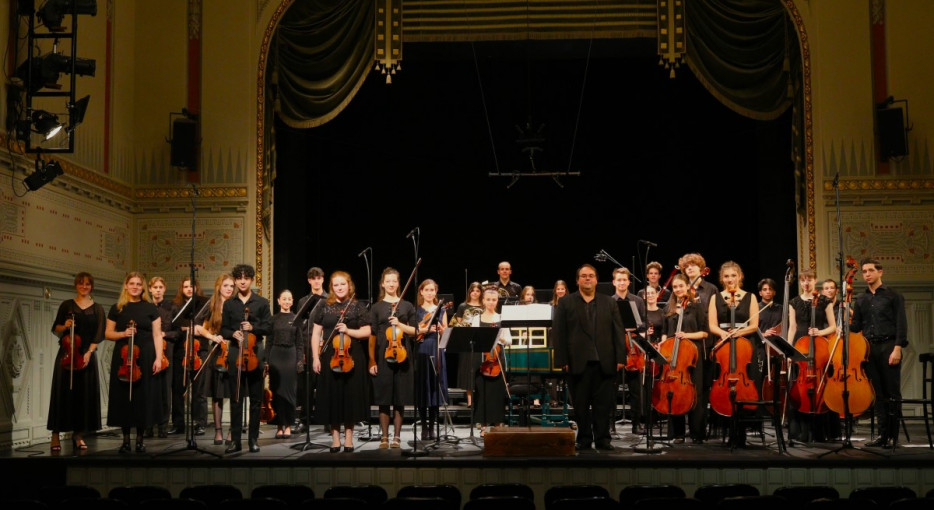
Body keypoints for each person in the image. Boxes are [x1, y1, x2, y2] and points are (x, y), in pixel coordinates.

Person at [553, 264, 626, 451]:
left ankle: (603, 439)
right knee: (581, 405)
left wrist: (620, 358)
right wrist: (562, 361)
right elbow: (559, 334)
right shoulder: (566, 302)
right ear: (577, 280)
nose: (587, 278)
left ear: (596, 279)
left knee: (603, 405)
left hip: (605, 361)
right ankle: (584, 438)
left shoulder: (609, 302)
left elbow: (618, 332)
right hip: (577, 362)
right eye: (583, 276)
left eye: (591, 276)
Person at [104, 271, 166, 453]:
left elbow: (157, 335)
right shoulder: (117, 308)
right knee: (124, 398)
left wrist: (158, 357)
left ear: (143, 287)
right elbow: (107, 333)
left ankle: (140, 440)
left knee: (142, 398)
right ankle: (125, 440)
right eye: (132, 283)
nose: (135, 287)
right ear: (126, 285)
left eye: (139, 284)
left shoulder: (150, 308)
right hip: (124, 357)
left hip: (145, 357)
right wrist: (123, 334)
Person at [311, 271, 372, 453]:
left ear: (349, 285)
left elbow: (367, 331)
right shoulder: (324, 306)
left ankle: (349, 439)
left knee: (349, 398)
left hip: (352, 356)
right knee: (333, 397)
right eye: (336, 285)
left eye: (342, 284)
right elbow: (315, 334)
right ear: (331, 287)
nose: (339, 288)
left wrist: (348, 331)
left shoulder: (357, 306)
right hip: (330, 356)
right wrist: (315, 356)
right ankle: (335, 439)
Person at [850, 258, 908, 448]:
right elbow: (856, 327)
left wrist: (897, 348)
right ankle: (883, 435)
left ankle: (893, 436)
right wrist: (844, 312)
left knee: (892, 393)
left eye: (870, 271)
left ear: (880, 272)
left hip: (889, 346)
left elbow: (901, 324)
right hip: (869, 349)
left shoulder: (893, 296)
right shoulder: (861, 299)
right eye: (864, 271)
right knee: (878, 394)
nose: (866, 274)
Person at [48, 272, 104, 452]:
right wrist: (65, 326)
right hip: (67, 354)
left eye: (87, 284)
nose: (84, 287)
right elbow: (55, 328)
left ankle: (78, 434)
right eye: (81, 284)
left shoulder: (98, 309)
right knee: (62, 395)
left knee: (84, 396)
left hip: (87, 356)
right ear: (76, 286)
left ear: (91, 287)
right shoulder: (67, 305)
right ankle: (55, 434)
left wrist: (89, 353)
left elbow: (99, 334)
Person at [707, 261, 761, 447]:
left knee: (745, 384)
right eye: (726, 276)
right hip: (723, 344)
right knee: (722, 384)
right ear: (722, 279)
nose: (730, 279)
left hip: (745, 344)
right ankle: (727, 428)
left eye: (733, 275)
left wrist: (738, 333)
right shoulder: (716, 297)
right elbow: (712, 324)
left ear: (740, 276)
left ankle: (742, 431)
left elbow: (754, 325)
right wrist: (723, 334)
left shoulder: (750, 297)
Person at [221, 264, 272, 454]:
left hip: (255, 351)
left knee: (256, 399)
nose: (242, 281)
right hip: (235, 352)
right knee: (236, 398)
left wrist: (253, 329)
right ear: (235, 280)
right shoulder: (229, 304)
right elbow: (223, 329)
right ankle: (235, 440)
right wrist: (233, 333)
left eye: (246, 278)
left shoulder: (261, 302)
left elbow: (268, 327)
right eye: (239, 278)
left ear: (251, 280)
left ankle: (253, 439)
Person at [367, 268, 417, 449]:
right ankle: (384, 437)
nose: (390, 284)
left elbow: (415, 332)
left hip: (403, 355)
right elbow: (372, 336)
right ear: (382, 284)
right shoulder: (376, 307)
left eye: (394, 281)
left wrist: (400, 325)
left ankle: (397, 437)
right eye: (387, 281)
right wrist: (371, 360)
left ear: (398, 283)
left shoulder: (407, 305)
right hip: (382, 355)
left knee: (400, 398)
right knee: (383, 398)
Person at [786, 268, 838, 443]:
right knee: (798, 386)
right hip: (800, 345)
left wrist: (820, 331)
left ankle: (820, 432)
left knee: (820, 385)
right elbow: (792, 328)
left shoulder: (825, 301)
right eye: (803, 280)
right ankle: (799, 432)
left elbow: (833, 326)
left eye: (809, 279)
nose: (806, 283)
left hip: (819, 344)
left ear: (815, 281)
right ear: (800, 282)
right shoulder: (793, 302)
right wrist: (788, 351)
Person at [661, 274, 708, 443]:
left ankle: (697, 434)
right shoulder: (669, 307)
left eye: (681, 286)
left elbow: (704, 332)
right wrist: (663, 344)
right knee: (674, 392)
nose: (678, 289)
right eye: (675, 287)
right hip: (674, 357)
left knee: (696, 394)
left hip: (692, 356)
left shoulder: (696, 306)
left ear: (688, 286)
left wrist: (686, 335)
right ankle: (678, 433)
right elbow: (665, 332)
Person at [195, 274, 234, 445]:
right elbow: (199, 327)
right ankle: (218, 431)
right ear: (219, 286)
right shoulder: (211, 304)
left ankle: (233, 430)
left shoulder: (237, 305)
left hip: (234, 350)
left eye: (231, 286)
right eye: (226, 285)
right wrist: (213, 336)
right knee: (217, 394)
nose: (229, 289)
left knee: (234, 393)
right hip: (217, 352)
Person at [470, 287, 513, 436]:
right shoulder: (477, 319)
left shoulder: (501, 318)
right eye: (488, 299)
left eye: (493, 300)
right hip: (482, 359)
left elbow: (509, 340)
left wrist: (501, 338)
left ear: (497, 301)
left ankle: (497, 422)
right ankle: (483, 425)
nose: (490, 302)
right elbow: (473, 338)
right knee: (482, 392)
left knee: (497, 393)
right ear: (483, 301)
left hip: (497, 359)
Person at [168, 276, 207, 436]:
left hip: (199, 350)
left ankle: (200, 423)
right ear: (181, 289)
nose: (189, 289)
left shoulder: (203, 305)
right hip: (180, 350)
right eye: (185, 287)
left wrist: (193, 328)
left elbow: (205, 327)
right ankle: (178, 424)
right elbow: (174, 326)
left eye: (192, 286)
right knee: (178, 389)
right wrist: (188, 328)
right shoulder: (176, 306)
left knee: (198, 390)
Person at [611, 267, 648, 435]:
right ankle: (610, 424)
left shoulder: (637, 301)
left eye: (624, 280)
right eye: (618, 280)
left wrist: (638, 330)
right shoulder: (610, 301)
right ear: (614, 282)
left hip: (634, 347)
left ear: (628, 282)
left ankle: (636, 424)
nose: (621, 282)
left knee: (635, 390)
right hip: (616, 347)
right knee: (612, 388)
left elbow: (643, 324)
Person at [414, 279, 449, 440]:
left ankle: (433, 426)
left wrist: (441, 329)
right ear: (421, 292)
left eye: (432, 290)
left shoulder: (441, 310)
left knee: (435, 387)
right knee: (423, 387)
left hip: (437, 348)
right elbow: (413, 333)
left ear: (436, 292)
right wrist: (424, 327)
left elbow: (446, 336)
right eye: (426, 290)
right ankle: (423, 426)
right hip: (422, 348)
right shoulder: (416, 310)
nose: (429, 293)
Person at [295, 266, 327, 432]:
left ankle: (328, 419)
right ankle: (304, 419)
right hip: (309, 345)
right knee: (307, 385)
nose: (316, 281)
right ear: (309, 281)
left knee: (326, 384)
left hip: (327, 346)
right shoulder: (303, 301)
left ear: (322, 279)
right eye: (313, 278)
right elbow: (299, 328)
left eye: (319, 278)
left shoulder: (330, 299)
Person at [267, 289, 300, 439]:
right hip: (276, 355)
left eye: (289, 299)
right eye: (284, 299)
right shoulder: (273, 319)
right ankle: (279, 425)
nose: (287, 301)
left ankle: (288, 425)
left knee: (290, 392)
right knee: (276, 390)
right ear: (278, 301)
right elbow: (268, 341)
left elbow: (300, 343)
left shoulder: (296, 318)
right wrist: (266, 361)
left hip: (290, 355)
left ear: (292, 301)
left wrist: (300, 361)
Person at [148, 276, 176, 438]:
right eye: (155, 287)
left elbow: (178, 332)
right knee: (150, 390)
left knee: (165, 390)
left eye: (160, 287)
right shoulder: (146, 306)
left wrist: (164, 333)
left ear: (164, 289)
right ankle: (148, 425)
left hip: (167, 352)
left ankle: (163, 426)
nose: (158, 290)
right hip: (149, 351)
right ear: (150, 289)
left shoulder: (172, 308)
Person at [455, 282, 484, 407]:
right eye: (473, 290)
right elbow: (459, 324)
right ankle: (470, 401)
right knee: (468, 372)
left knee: (479, 371)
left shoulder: (484, 306)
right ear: (469, 292)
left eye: (478, 291)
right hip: (467, 343)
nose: (475, 293)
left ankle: (480, 399)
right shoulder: (462, 306)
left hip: (480, 342)